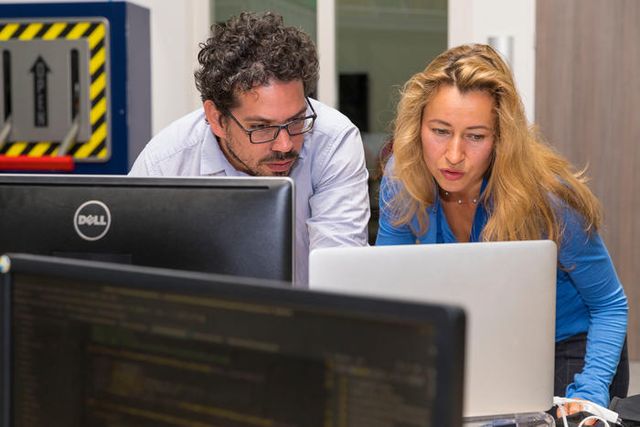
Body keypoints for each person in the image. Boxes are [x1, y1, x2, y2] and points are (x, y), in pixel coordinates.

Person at [376, 44, 628, 418]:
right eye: (440, 131)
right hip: (482, 343)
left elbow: (609, 305)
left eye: (475, 136)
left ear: (500, 140)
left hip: (571, 347)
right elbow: (386, 287)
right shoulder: (403, 178)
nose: (454, 155)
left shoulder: (549, 199)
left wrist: (588, 394)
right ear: (418, 126)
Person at [129, 12, 370, 286]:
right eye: (262, 127)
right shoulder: (165, 164)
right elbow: (136, 276)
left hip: (309, 319)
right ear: (217, 119)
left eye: (296, 121)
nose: (285, 145)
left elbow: (338, 271)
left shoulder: (333, 140)